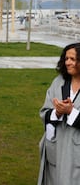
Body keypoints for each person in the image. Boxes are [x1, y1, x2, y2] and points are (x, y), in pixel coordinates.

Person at [37, 43, 80, 185]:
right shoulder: (58, 82)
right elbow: (44, 112)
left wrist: (71, 112)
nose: (68, 62)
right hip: (56, 150)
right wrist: (57, 112)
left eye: (73, 59)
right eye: (66, 58)